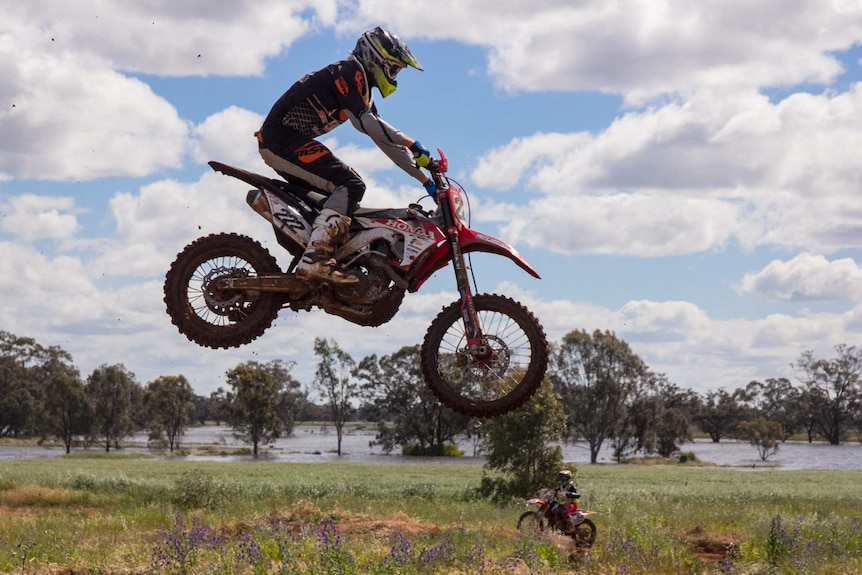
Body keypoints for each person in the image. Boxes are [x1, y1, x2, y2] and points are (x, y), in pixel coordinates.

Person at [256, 26, 436, 284]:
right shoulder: (348, 72)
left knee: (340, 195)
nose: (394, 77)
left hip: (288, 142)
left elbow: (384, 140)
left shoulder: (362, 88)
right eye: (393, 69)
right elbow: (366, 124)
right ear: (376, 59)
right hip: (281, 141)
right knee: (351, 184)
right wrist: (414, 143)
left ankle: (321, 251)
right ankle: (314, 259)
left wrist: (424, 180)